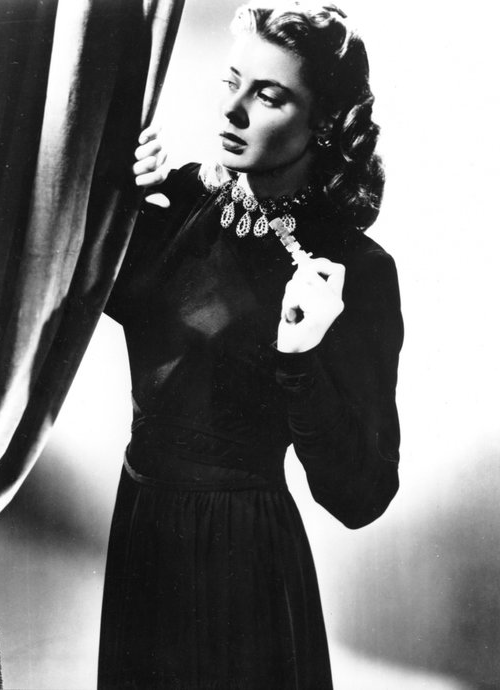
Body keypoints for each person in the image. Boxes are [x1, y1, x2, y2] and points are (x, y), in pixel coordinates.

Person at [98, 2, 403, 688]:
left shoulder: (351, 271)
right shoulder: (184, 201)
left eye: (267, 95)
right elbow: (101, 299)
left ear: (323, 120)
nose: (232, 111)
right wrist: (116, 195)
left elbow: (361, 495)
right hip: (142, 533)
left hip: (240, 561)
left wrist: (300, 358)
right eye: (231, 82)